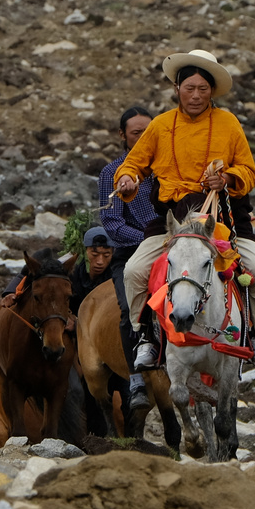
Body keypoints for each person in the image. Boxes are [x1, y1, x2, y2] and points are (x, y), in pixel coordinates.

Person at [112, 50, 255, 368]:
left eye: (203, 89)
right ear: (177, 89)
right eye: (190, 88)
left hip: (223, 220)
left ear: (211, 91)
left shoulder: (228, 123)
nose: (196, 95)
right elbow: (133, 164)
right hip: (174, 221)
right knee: (133, 272)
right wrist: (128, 179)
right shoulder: (160, 126)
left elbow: (249, 170)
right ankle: (146, 335)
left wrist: (227, 177)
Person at [99, 106, 158, 412]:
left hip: (171, 245)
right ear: (122, 135)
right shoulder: (112, 173)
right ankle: (135, 379)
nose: (143, 137)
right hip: (132, 250)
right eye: (137, 133)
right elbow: (112, 224)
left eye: (148, 132)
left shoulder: (164, 166)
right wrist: (148, 239)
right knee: (128, 310)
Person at [70, 227, 116, 314]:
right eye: (95, 255)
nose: (100, 262)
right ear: (84, 252)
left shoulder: (115, 280)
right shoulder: (72, 275)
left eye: (106, 255)